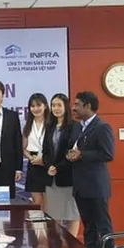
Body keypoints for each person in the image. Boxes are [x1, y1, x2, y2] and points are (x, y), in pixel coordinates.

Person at [67, 91, 115, 248]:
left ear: (88, 106)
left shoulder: (102, 127)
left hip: (96, 186)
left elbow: (108, 154)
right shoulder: (77, 127)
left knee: (103, 225)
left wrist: (82, 155)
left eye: (77, 104)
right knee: (88, 226)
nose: (74, 108)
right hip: (80, 186)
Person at [42, 93, 80, 237]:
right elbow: (45, 151)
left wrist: (58, 167)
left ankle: (72, 244)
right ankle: (58, 243)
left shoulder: (74, 126)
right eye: (53, 105)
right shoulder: (49, 127)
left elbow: (71, 151)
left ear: (66, 107)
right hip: (52, 177)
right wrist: (49, 166)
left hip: (68, 176)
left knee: (72, 214)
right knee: (54, 214)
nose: (56, 108)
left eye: (59, 105)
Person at [22, 93, 50, 209]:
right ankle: (39, 222)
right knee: (36, 203)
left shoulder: (51, 124)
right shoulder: (28, 125)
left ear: (45, 106)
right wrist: (31, 158)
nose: (36, 109)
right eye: (32, 106)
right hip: (33, 164)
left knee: (50, 203)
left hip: (49, 164)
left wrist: (43, 159)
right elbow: (23, 148)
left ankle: (51, 222)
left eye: (39, 105)